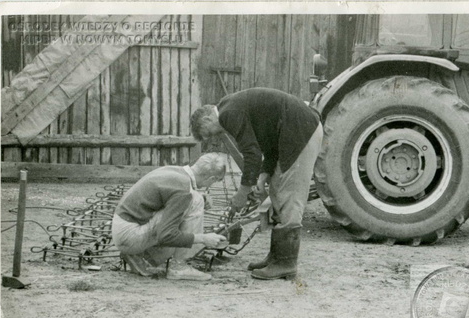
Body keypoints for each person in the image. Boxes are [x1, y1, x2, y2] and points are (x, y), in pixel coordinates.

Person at [190, 87, 323, 280]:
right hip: (291, 132)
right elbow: (268, 142)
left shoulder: (228, 114)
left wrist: (242, 194)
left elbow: (252, 153)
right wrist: (264, 175)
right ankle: (276, 257)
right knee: (278, 191)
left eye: (208, 133)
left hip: (301, 132)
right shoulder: (232, 107)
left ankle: (286, 263)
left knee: (290, 195)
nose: (213, 137)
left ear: (208, 119)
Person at [112, 153, 227, 280]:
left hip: (124, 228)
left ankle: (139, 254)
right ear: (211, 178)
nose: (211, 185)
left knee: (194, 199)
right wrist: (203, 238)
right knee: (196, 201)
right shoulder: (184, 191)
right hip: (129, 236)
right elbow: (166, 235)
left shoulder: (176, 171)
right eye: (216, 180)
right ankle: (179, 267)